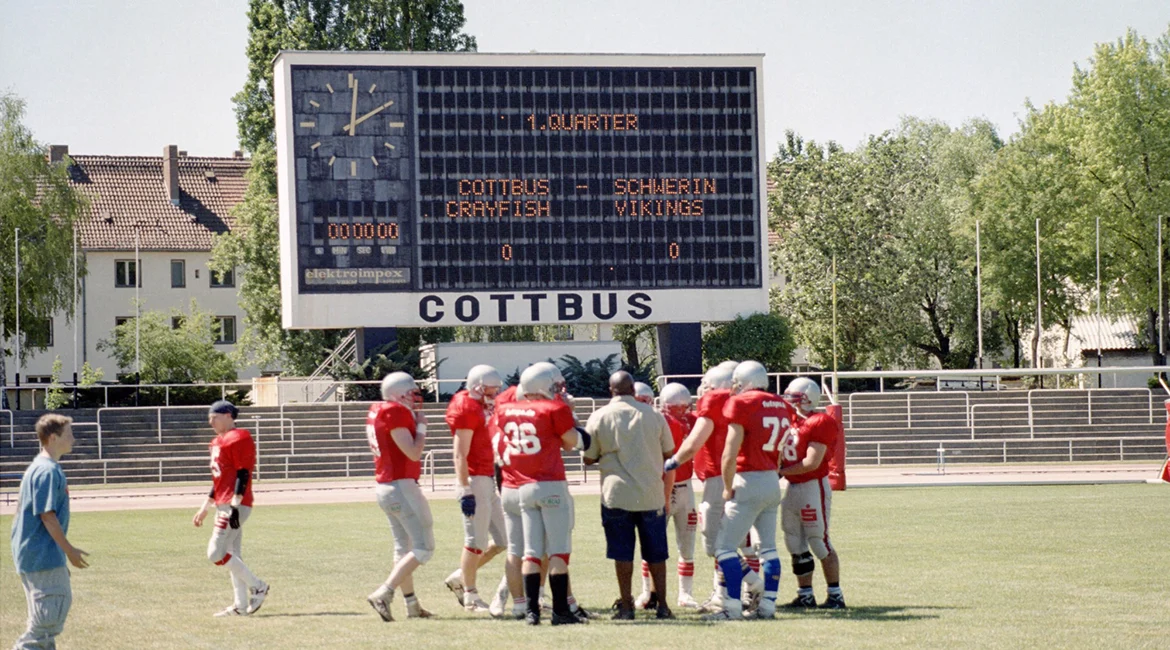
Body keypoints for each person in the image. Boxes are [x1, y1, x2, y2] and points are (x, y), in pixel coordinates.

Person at [663, 363, 763, 612]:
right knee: (738, 541)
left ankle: (752, 583)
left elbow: (694, 443)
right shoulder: (749, 402)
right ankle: (725, 595)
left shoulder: (717, 400)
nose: (702, 390)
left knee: (716, 544)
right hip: (745, 476)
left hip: (720, 480)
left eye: (707, 385)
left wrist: (672, 462)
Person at [702, 361, 795, 621]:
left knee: (724, 548)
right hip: (771, 480)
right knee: (768, 549)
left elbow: (729, 453)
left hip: (747, 478)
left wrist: (727, 486)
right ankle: (768, 606)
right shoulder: (782, 405)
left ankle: (731, 608)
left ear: (742, 381)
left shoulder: (741, 403)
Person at [494, 364, 585, 626]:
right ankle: (560, 612)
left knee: (531, 553)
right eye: (555, 385)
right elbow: (573, 442)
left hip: (520, 486)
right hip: (549, 484)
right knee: (558, 552)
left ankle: (531, 612)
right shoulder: (553, 409)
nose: (559, 390)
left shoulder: (506, 409)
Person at [583, 371, 675, 621]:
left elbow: (588, 457)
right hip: (650, 493)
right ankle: (663, 606)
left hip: (617, 494)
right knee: (657, 553)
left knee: (622, 553)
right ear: (633, 389)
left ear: (610, 389)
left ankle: (626, 606)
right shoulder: (654, 415)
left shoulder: (599, 416)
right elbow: (669, 451)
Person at [10, 414, 89, 649]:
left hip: (39, 557)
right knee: (43, 628)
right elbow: (47, 516)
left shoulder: (42, 467)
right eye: (69, 434)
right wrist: (69, 551)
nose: (73, 439)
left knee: (46, 629)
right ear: (53, 438)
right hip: (41, 558)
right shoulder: (46, 471)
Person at [365, 373, 436, 622]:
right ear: (397, 394)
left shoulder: (379, 409)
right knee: (424, 547)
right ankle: (384, 592)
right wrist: (423, 426)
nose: (415, 397)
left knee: (403, 548)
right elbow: (414, 453)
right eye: (411, 392)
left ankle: (412, 605)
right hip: (401, 486)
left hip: (385, 485)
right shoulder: (395, 412)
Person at [193, 400, 269, 617]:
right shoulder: (216, 442)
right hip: (223, 502)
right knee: (233, 554)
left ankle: (258, 586)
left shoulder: (239, 437)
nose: (210, 422)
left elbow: (244, 472)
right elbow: (219, 479)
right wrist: (205, 506)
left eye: (214, 417)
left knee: (215, 553)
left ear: (228, 415)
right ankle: (240, 605)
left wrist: (234, 504)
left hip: (234, 504)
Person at [443, 364, 508, 613]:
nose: (494, 394)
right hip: (474, 479)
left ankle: (461, 576)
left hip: (487, 478)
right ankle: (470, 596)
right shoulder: (467, 407)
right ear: (478, 387)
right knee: (475, 541)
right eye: (491, 390)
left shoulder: (479, 405)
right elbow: (460, 454)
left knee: (505, 540)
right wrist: (464, 488)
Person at [779, 377, 846, 610]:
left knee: (818, 540)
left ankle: (835, 595)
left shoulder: (821, 421)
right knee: (793, 541)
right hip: (792, 487)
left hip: (811, 486)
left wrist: (778, 471)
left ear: (807, 399)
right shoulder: (792, 421)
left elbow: (811, 462)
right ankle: (805, 594)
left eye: (794, 397)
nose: (789, 402)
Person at [635, 382, 700, 610]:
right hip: (661, 486)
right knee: (652, 544)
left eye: (685, 408)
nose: (682, 413)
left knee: (687, 544)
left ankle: (685, 593)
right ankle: (647, 592)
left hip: (685, 486)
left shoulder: (691, 420)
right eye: (676, 408)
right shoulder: (659, 421)